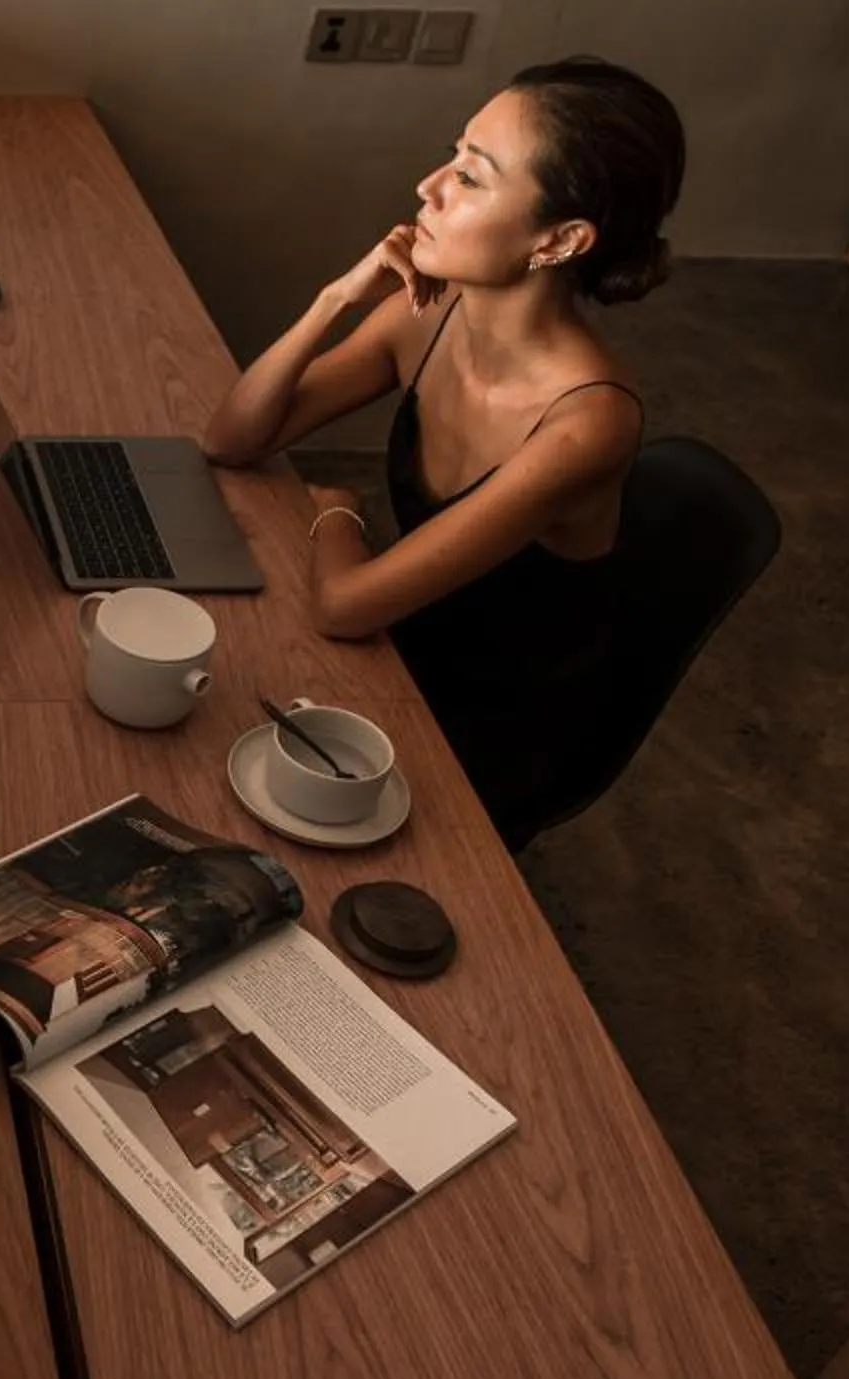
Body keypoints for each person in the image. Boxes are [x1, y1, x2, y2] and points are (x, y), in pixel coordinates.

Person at [200, 55, 686, 844]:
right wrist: (335, 300)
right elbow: (233, 439)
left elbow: (343, 606)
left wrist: (338, 511)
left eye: (471, 176)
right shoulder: (432, 313)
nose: (428, 186)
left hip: (489, 716)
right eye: (453, 155)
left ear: (560, 239)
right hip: (400, 641)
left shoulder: (587, 425)